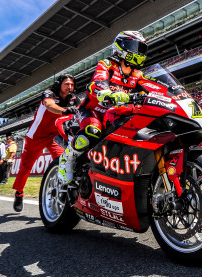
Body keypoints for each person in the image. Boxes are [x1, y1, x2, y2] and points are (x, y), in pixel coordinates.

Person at [58, 31, 148, 188]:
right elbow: (98, 81)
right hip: (92, 111)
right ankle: (67, 159)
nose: (138, 52)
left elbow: (150, 88)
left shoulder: (138, 74)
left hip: (114, 115)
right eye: (135, 47)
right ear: (122, 47)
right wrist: (106, 92)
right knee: (93, 130)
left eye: (142, 49)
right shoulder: (106, 65)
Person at [11, 73, 79, 212]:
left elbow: (83, 108)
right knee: (25, 167)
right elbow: (49, 105)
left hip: (55, 136)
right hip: (36, 136)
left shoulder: (73, 98)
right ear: (59, 84)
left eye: (72, 84)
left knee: (64, 162)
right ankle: (19, 193)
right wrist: (65, 110)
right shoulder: (49, 93)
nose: (70, 87)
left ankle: (62, 191)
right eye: (67, 84)